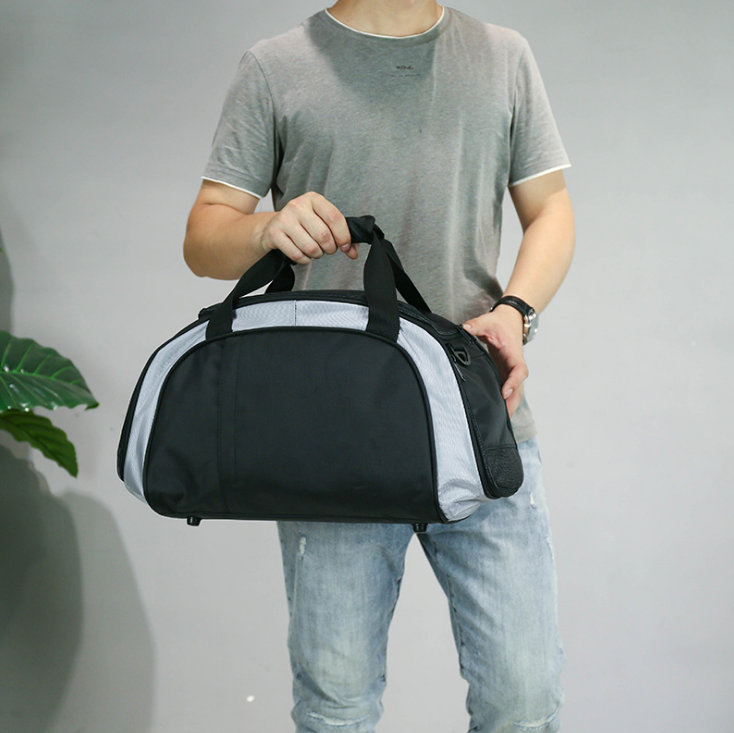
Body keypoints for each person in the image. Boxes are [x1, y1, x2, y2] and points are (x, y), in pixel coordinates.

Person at [183, 1, 575, 731]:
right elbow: (205, 237)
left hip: (477, 420)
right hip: (330, 438)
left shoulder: (503, 57)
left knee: (524, 699)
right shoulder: (275, 66)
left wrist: (516, 311)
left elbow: (550, 208)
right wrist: (266, 228)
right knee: (337, 707)